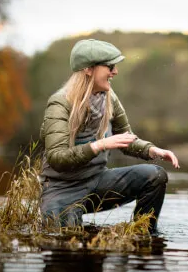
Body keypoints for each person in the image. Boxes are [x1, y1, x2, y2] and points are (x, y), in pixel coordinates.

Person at [39, 39, 179, 230]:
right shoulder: (59, 104)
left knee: (155, 176)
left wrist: (152, 150)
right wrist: (100, 145)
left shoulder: (109, 97)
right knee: (67, 243)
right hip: (62, 189)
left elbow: (124, 138)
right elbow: (57, 158)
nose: (115, 72)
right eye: (110, 66)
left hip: (97, 182)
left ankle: (143, 235)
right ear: (89, 69)